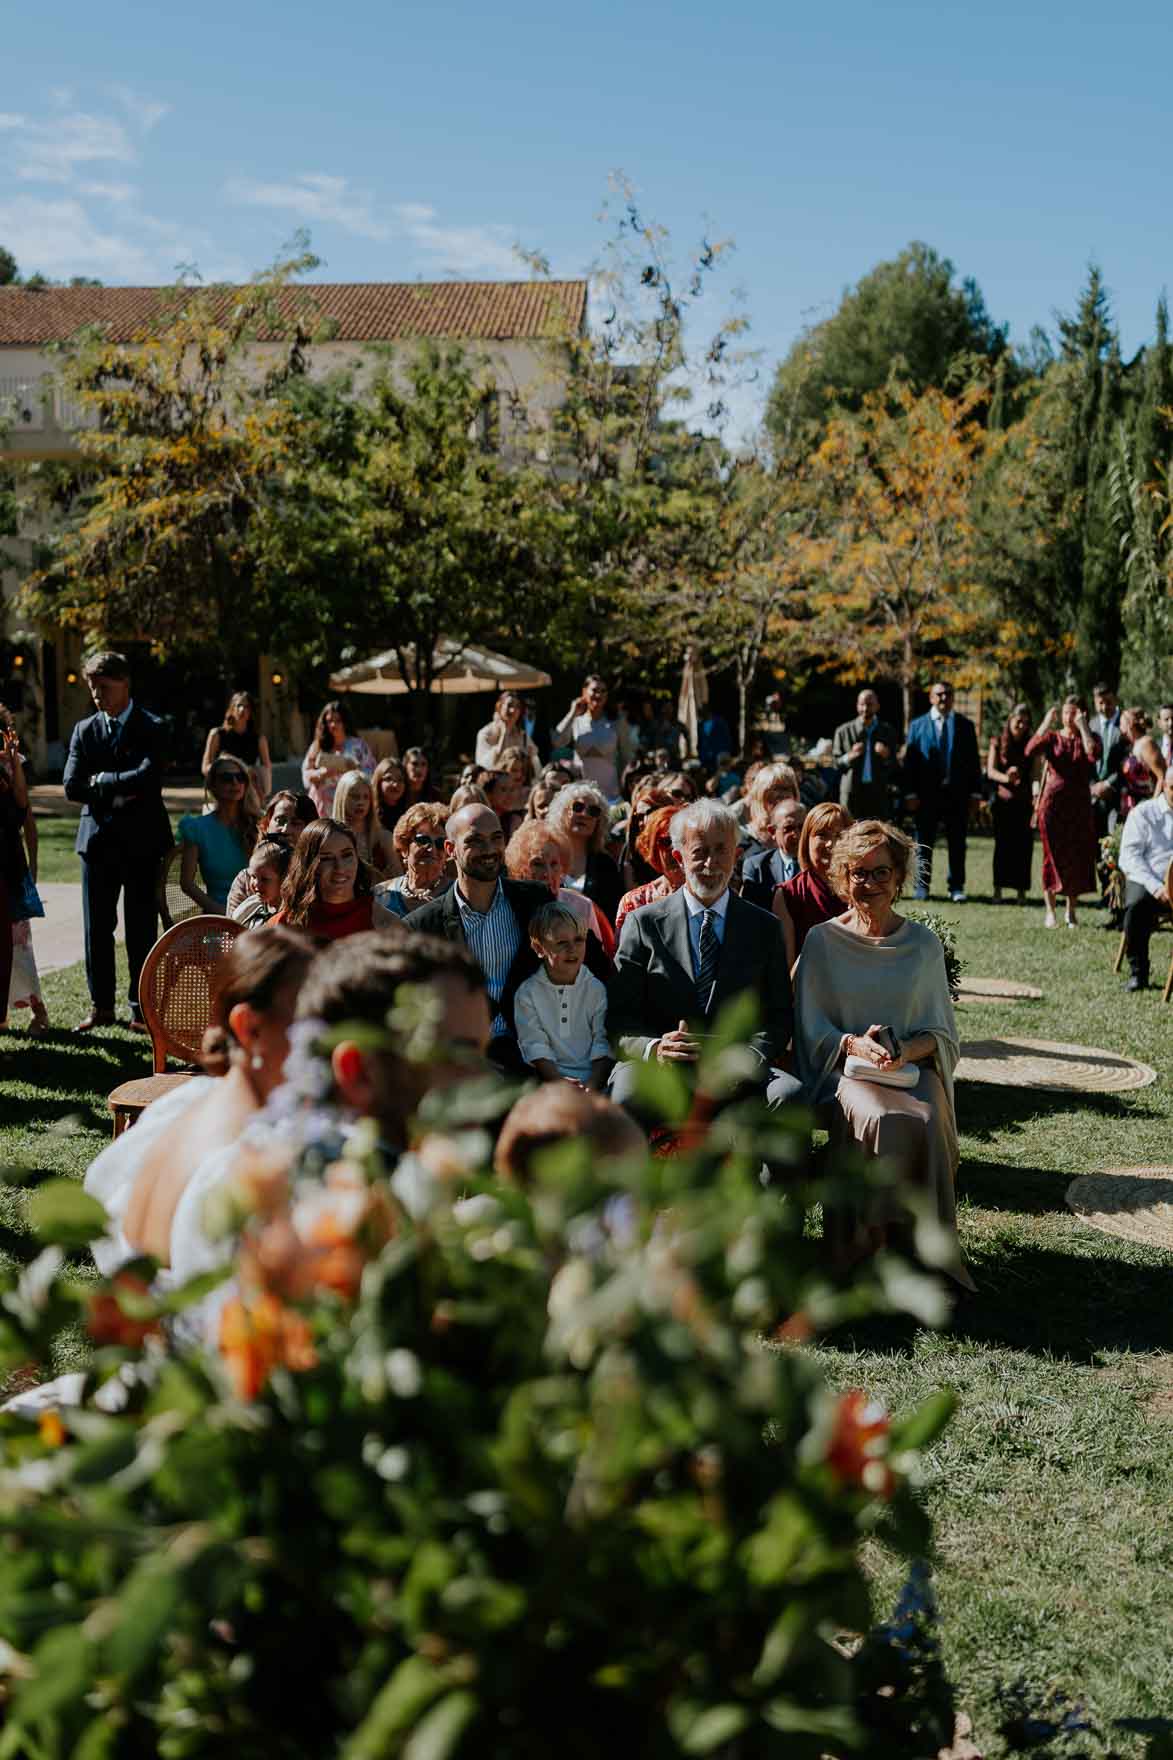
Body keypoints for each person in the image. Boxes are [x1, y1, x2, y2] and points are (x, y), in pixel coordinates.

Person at [793, 819, 974, 1290]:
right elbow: (810, 1029)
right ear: (841, 876)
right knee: (879, 1119)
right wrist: (854, 1043)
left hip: (911, 1071)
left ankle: (924, 1256)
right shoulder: (822, 942)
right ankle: (864, 1253)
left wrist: (903, 1050)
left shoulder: (922, 946)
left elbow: (941, 1032)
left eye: (880, 873)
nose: (868, 883)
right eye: (858, 872)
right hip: (846, 1072)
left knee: (929, 1119)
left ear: (898, 878)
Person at [84, 927, 314, 1275]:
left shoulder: (184, 1105)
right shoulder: (246, 1154)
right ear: (249, 1028)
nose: (321, 1043)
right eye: (307, 1024)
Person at [606, 800, 802, 1119]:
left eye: (721, 851)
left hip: (736, 1072)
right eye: (699, 852)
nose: (711, 863)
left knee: (788, 1094)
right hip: (663, 1070)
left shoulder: (764, 927)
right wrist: (654, 1048)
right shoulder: (643, 924)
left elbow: (779, 1016)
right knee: (625, 1094)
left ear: (737, 855)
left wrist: (748, 1057)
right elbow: (618, 1018)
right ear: (678, 857)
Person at [63, 650, 173, 1031]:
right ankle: (101, 1006)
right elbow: (71, 786)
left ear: (125, 683)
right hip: (96, 844)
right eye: (93, 688)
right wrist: (118, 787)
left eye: (104, 687)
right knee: (97, 928)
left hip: (143, 843)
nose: (97, 695)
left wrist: (101, 782)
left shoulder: (153, 726)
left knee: (141, 926)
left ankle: (140, 1010)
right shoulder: (85, 730)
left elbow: (149, 777)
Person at [402, 804, 554, 1075]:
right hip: (462, 1060)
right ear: (450, 850)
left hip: (532, 1053)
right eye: (475, 841)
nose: (489, 850)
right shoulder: (422, 927)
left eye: (496, 838)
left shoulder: (535, 901)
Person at [513, 899, 611, 1089]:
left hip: (597, 1082)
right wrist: (559, 1083)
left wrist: (592, 1086)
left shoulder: (596, 989)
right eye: (561, 943)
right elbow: (535, 1046)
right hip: (549, 1082)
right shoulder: (527, 994)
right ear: (539, 948)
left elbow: (603, 1043)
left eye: (578, 940)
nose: (572, 949)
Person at [902, 681, 983, 902]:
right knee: (924, 842)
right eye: (939, 695)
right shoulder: (918, 726)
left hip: (957, 795)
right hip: (926, 795)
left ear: (953, 697)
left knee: (957, 842)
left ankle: (956, 887)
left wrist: (976, 793)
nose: (943, 698)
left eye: (947, 694)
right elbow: (910, 763)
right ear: (931, 698)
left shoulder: (965, 726)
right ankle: (922, 887)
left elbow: (973, 762)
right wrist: (909, 793)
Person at [1025, 698, 1099, 928]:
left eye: (1074, 713)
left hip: (1078, 806)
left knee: (1076, 857)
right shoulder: (1053, 738)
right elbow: (1030, 749)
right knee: (1052, 856)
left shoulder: (1089, 737)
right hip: (1052, 806)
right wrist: (1046, 722)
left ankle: (1071, 911)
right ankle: (1050, 910)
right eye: (1066, 713)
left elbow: (1093, 755)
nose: (1069, 717)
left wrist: (1084, 726)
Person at [503, 818, 615, 958]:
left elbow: (600, 962)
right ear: (521, 868)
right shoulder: (509, 907)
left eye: (554, 864)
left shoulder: (581, 906)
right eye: (538, 864)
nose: (547, 874)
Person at [0, 720, 48, 1034]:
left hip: (8, 868)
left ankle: (37, 1009)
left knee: (17, 946)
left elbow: (23, 811)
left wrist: (33, 862)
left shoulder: (9, 766)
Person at [271, 819, 386, 941]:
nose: (340, 868)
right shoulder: (288, 922)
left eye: (347, 855)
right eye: (326, 859)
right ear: (308, 865)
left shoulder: (379, 919)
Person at [178, 754, 260, 915]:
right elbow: (186, 883)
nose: (235, 782)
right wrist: (219, 911)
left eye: (240, 777)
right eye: (226, 778)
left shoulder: (260, 824)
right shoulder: (197, 828)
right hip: (217, 918)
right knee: (211, 940)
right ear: (212, 785)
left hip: (258, 914)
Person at [1118, 768, 1173, 991]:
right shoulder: (1144, 813)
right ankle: (1138, 971)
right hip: (1151, 882)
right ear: (1166, 785)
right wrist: (1158, 887)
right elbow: (1129, 857)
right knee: (1137, 905)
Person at [224, 790, 317, 917]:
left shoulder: (318, 876)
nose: (285, 830)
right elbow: (232, 928)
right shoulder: (247, 880)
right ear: (267, 824)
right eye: (280, 820)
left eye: (296, 823)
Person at [776, 801, 851, 957]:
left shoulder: (861, 886)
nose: (832, 843)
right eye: (822, 835)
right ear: (806, 840)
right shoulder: (789, 894)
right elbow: (787, 966)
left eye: (839, 835)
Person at [545, 782, 624, 927]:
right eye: (578, 807)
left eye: (593, 811)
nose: (585, 815)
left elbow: (614, 915)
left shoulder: (605, 864)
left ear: (598, 822)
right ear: (562, 812)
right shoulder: (545, 859)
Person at [553, 676, 636, 801]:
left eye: (603, 691)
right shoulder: (576, 722)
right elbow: (557, 742)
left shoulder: (616, 722)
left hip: (611, 793)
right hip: (581, 792)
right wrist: (572, 712)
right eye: (595, 690)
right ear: (584, 692)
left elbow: (627, 755)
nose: (599, 695)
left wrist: (628, 786)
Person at [986, 703, 1035, 903]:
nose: (1021, 725)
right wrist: (1007, 777)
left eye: (1025, 722)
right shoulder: (997, 742)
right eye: (1018, 721)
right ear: (1010, 720)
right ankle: (998, 890)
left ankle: (1021, 892)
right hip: (1003, 803)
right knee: (1003, 847)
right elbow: (990, 770)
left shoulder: (1031, 744)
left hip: (1024, 803)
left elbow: (1035, 774)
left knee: (1023, 848)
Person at [614, 804, 686, 934]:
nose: (675, 850)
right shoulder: (634, 902)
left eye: (682, 841)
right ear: (652, 848)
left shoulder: (712, 897)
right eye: (666, 841)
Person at [372, 802, 451, 918]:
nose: (432, 848)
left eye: (440, 843)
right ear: (404, 848)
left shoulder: (458, 896)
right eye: (423, 840)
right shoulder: (380, 895)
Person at [832, 689, 899, 822]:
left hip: (878, 792)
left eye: (869, 704)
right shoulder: (843, 731)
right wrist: (849, 756)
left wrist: (886, 755)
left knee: (877, 835)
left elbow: (895, 766)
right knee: (850, 833)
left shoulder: (887, 731)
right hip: (851, 792)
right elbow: (835, 763)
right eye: (862, 704)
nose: (865, 708)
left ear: (877, 706)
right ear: (857, 705)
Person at [301, 701, 376, 817]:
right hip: (322, 804)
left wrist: (355, 770)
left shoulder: (358, 746)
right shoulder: (318, 746)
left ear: (345, 722)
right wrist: (322, 773)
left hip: (350, 802)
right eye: (329, 721)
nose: (333, 725)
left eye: (338, 721)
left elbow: (372, 773)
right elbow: (306, 775)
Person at [201, 690, 272, 801]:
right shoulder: (217, 734)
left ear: (251, 712)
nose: (242, 709)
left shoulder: (259, 739)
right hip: (223, 785)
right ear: (232, 708)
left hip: (249, 788)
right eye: (239, 705)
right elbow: (205, 768)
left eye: (247, 707)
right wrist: (229, 770)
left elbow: (266, 771)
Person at [741, 798, 805, 911]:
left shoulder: (816, 864)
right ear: (772, 831)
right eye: (788, 828)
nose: (796, 835)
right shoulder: (757, 866)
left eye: (801, 827)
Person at [334, 769, 394, 873]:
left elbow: (398, 880)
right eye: (354, 797)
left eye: (366, 797)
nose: (361, 802)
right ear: (342, 798)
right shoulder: (330, 837)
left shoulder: (384, 838)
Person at [475, 691, 540, 781]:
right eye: (509, 705)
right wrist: (504, 732)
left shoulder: (522, 735)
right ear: (499, 707)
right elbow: (485, 766)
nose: (513, 710)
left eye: (517, 707)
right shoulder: (485, 733)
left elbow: (534, 758)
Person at [1089, 681, 1126, 837]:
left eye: (1108, 702)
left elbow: (1127, 762)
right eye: (1100, 703)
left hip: (1117, 795)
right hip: (1093, 797)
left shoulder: (1125, 724)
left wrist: (1107, 783)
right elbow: (1087, 760)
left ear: (1115, 699)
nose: (1104, 707)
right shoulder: (1091, 725)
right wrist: (1093, 786)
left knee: (1114, 843)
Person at [231, 838, 292, 928]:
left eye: (264, 879)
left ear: (284, 880)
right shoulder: (250, 907)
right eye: (253, 877)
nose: (256, 884)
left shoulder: (289, 916)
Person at [1117, 708, 1166, 819]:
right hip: (1135, 805)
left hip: (1149, 803)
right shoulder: (1132, 745)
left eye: (1121, 723)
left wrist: (1153, 807)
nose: (1119, 727)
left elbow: (1162, 776)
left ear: (1130, 724)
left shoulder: (1146, 743)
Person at [743, 761, 801, 853]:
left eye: (786, 789)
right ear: (760, 794)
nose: (782, 795)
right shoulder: (742, 838)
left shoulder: (802, 834)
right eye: (775, 789)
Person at [371, 757, 409, 872]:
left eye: (400, 779)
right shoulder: (371, 814)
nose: (395, 784)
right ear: (378, 782)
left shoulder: (410, 813)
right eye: (388, 779)